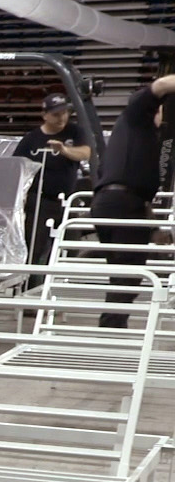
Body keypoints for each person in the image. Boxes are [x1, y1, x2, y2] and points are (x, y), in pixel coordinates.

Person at [91, 74, 175, 327]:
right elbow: (160, 86)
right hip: (120, 202)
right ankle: (111, 326)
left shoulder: (143, 137)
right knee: (129, 272)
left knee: (125, 272)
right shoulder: (136, 115)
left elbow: (140, 189)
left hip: (120, 202)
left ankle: (113, 324)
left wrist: (153, 228)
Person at [15, 94, 92, 272]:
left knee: (71, 244)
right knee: (35, 245)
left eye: (65, 113)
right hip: (40, 201)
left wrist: (64, 150)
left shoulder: (75, 132)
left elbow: (85, 153)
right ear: (45, 115)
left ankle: (60, 280)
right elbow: (18, 166)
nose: (62, 118)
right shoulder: (31, 139)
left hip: (67, 200)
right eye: (57, 114)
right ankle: (30, 283)